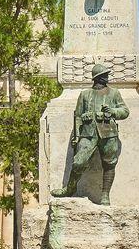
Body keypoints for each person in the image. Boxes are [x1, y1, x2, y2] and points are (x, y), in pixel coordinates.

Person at [51, 63, 129, 205]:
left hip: (108, 133)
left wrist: (112, 111)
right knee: (79, 161)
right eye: (104, 75)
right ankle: (70, 188)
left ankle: (105, 195)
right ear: (98, 78)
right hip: (88, 134)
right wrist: (76, 136)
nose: (107, 77)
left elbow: (125, 111)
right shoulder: (85, 94)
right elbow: (78, 116)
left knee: (109, 163)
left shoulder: (114, 93)